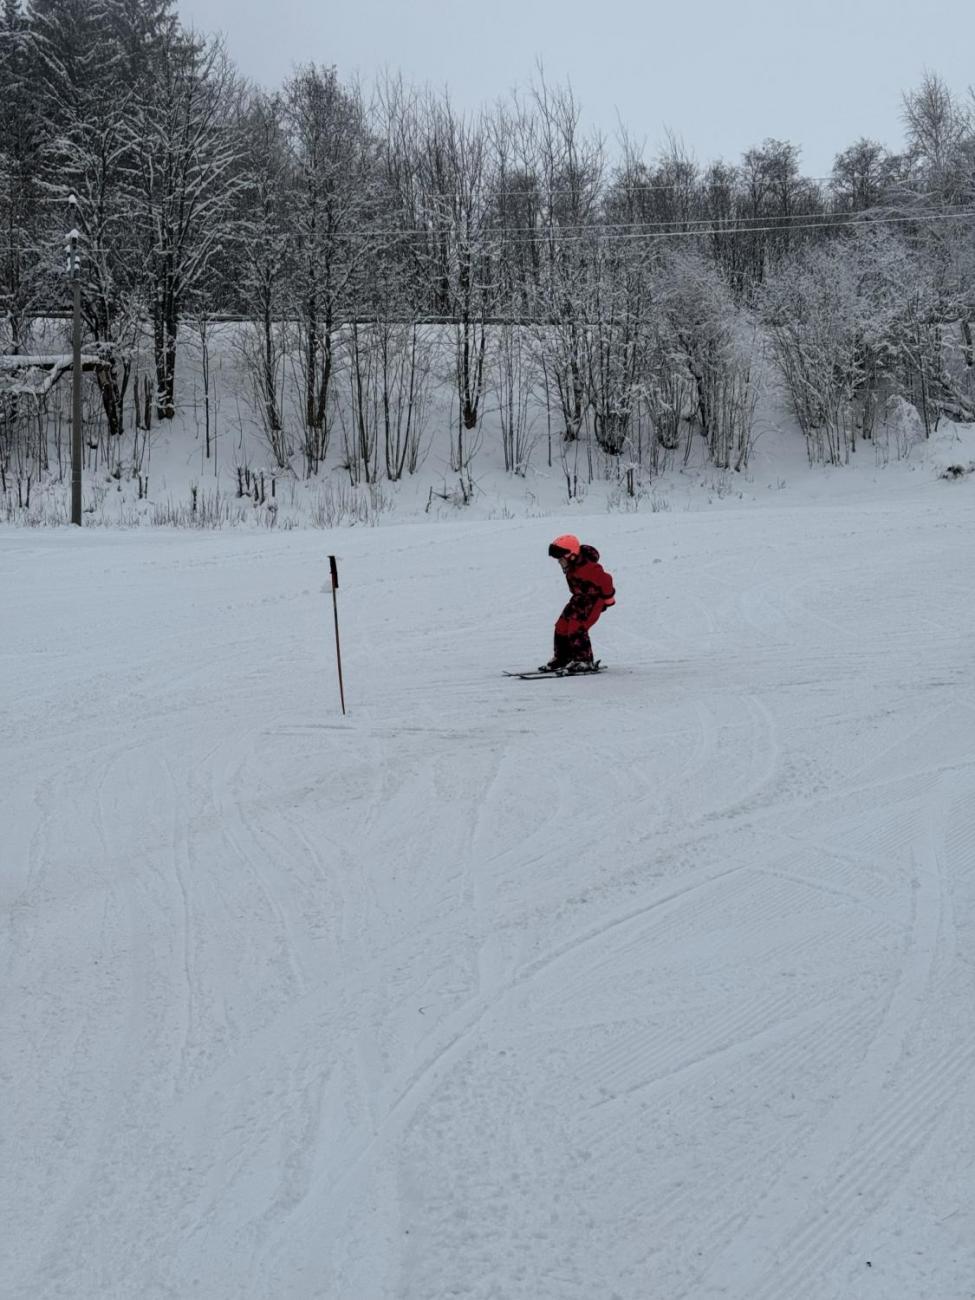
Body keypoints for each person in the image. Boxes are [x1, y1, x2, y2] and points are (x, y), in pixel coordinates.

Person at [540, 534, 615, 672]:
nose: (559, 562)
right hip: (579, 599)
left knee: (577, 627)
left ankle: (583, 660)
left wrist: (608, 599)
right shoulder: (572, 566)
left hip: (593, 601)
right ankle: (563, 658)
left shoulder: (588, 568)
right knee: (561, 626)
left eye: (561, 559)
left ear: (571, 555)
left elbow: (606, 580)